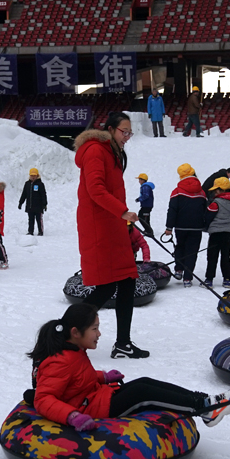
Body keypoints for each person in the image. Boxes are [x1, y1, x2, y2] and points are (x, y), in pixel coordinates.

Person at [29, 303, 230, 430]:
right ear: (75, 332)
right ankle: (206, 409)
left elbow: (78, 378)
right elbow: (43, 398)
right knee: (143, 392)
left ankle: (205, 401)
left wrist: (102, 377)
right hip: (93, 410)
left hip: (98, 398)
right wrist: (72, 416)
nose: (99, 334)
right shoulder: (60, 360)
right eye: (95, 329)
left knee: (143, 382)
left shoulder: (73, 351)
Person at [74, 111, 148, 359]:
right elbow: (95, 189)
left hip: (113, 225)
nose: (127, 136)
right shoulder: (95, 150)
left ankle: (123, 343)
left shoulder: (111, 152)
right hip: (100, 228)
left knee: (127, 280)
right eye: (123, 131)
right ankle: (64, 330)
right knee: (106, 286)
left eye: (130, 132)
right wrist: (123, 211)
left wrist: (122, 216)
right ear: (110, 129)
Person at [164, 163, 210, 287]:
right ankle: (188, 278)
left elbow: (172, 210)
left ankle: (179, 269)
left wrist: (169, 227)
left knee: (180, 247)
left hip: (180, 226)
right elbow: (205, 210)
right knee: (192, 251)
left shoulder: (177, 191)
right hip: (196, 227)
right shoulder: (202, 192)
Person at [203, 176, 230, 288]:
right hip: (229, 232)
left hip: (216, 232)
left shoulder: (216, 203)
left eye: (216, 190)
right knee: (226, 255)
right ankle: (227, 279)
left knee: (212, 256)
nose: (214, 192)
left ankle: (209, 279)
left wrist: (205, 225)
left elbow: (208, 217)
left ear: (221, 190)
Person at [18, 167, 47, 236]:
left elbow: (43, 194)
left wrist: (44, 204)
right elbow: (24, 194)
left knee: (38, 219)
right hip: (30, 206)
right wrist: (20, 203)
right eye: (32, 176)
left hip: (38, 206)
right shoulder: (27, 184)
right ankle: (30, 231)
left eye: (34, 175)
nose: (33, 177)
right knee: (30, 220)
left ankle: (40, 231)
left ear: (37, 175)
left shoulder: (40, 184)